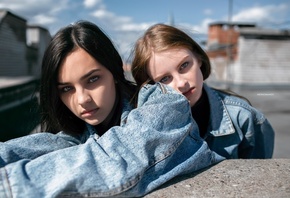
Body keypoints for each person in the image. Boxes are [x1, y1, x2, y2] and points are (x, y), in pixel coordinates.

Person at [0, 21, 223, 197]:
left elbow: (116, 160)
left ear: (115, 74)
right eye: (67, 88)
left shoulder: (164, 104)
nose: (82, 99)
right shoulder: (80, 135)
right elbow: (41, 148)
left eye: (93, 79)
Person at [131, 23, 275, 159]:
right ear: (151, 86)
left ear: (198, 58)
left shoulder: (244, 118)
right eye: (164, 79)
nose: (181, 83)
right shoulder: (142, 126)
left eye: (184, 65)